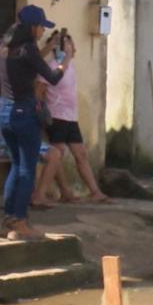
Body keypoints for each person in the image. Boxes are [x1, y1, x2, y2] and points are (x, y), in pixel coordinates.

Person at [0, 5, 72, 240]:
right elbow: (52, 78)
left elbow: (27, 62)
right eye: (41, 27)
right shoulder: (28, 49)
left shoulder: (4, 47)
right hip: (23, 112)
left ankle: (8, 220)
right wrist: (65, 59)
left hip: (5, 112)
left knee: (15, 166)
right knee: (27, 168)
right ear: (33, 27)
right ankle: (20, 221)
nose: (42, 31)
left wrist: (47, 48)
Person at [32, 30, 110, 204]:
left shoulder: (70, 67)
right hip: (57, 116)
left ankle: (95, 191)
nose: (73, 47)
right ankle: (60, 192)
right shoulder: (52, 66)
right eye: (68, 43)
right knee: (58, 154)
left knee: (80, 154)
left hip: (70, 117)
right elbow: (39, 90)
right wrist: (40, 113)